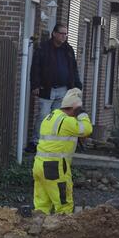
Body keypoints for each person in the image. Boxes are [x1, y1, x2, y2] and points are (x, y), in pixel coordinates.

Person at [33, 88, 92, 214]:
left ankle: (37, 228)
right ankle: (62, 232)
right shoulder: (66, 121)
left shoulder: (50, 116)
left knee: (41, 206)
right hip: (55, 168)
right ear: (73, 109)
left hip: (39, 165)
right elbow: (87, 129)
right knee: (64, 205)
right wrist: (82, 114)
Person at [27, 24, 82, 153]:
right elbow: (36, 67)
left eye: (66, 34)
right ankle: (35, 142)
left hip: (63, 89)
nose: (64, 36)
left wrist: (77, 86)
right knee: (43, 115)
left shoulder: (68, 49)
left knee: (57, 118)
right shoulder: (43, 48)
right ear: (54, 34)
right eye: (62, 33)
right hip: (47, 89)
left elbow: (73, 69)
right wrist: (35, 85)